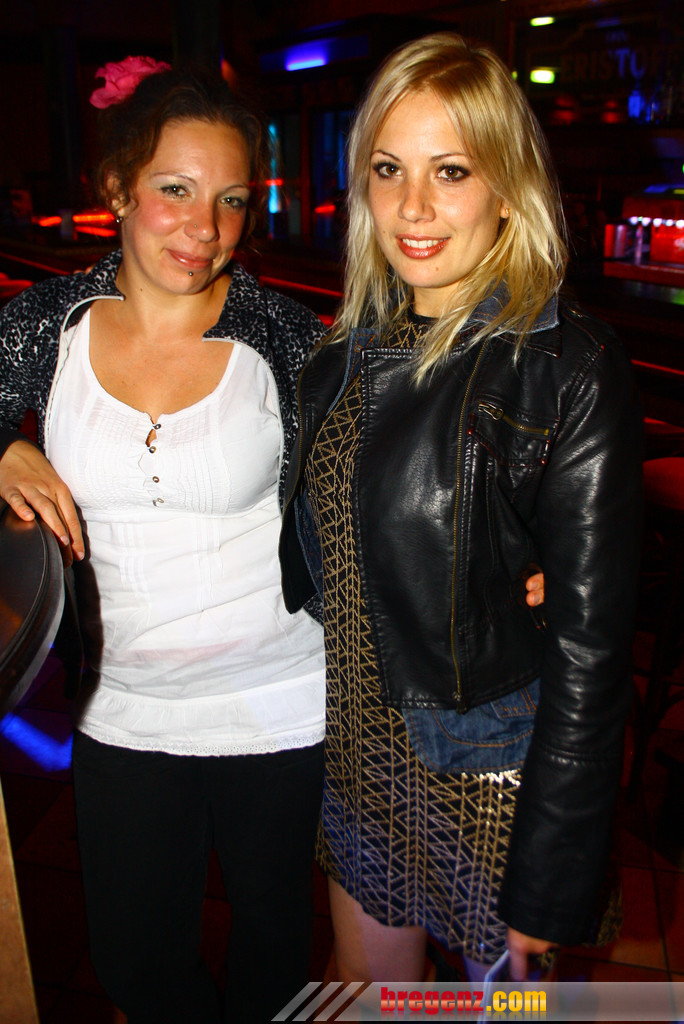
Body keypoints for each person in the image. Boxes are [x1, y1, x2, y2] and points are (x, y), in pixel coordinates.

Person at [279, 32, 642, 986]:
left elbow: (592, 656)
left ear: (508, 188)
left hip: (493, 773)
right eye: (388, 169)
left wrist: (551, 879)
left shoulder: (565, 366)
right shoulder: (349, 349)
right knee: (374, 1002)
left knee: (505, 1013)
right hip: (362, 751)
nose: (413, 206)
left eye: (451, 170)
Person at [0, 60, 328, 1024]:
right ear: (117, 188)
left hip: (281, 701)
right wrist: (2, 447)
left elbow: (377, 487)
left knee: (276, 959)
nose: (205, 228)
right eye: (175, 190)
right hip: (123, 708)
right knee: (136, 965)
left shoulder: (288, 337)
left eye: (231, 200)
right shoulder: (43, 325)